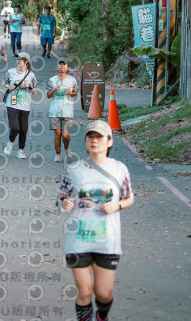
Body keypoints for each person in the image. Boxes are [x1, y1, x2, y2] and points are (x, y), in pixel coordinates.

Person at [56, 120, 134, 321]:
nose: (94, 141)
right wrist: (64, 203)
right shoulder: (74, 169)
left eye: (99, 137)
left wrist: (116, 206)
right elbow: (61, 196)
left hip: (107, 240)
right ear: (85, 142)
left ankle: (101, 315)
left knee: (104, 294)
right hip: (78, 239)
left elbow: (129, 198)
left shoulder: (119, 169)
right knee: (84, 291)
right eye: (90, 137)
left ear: (109, 141)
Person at [2, 52, 37, 159]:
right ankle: (10, 142)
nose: (18, 61)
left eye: (21, 59)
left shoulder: (31, 75)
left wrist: (28, 86)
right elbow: (4, 83)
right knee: (14, 127)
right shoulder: (11, 72)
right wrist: (9, 86)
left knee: (23, 129)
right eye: (17, 59)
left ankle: (21, 151)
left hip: (25, 105)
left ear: (26, 61)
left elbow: (34, 91)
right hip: (12, 102)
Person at [46, 58, 79, 162]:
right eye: (60, 65)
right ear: (57, 67)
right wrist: (54, 90)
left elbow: (76, 92)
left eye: (64, 65)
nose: (62, 66)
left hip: (67, 111)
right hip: (54, 111)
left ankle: (67, 147)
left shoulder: (72, 80)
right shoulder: (52, 80)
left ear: (67, 67)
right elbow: (48, 95)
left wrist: (70, 92)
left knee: (65, 135)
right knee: (57, 134)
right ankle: (58, 154)